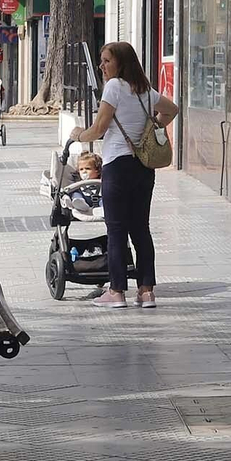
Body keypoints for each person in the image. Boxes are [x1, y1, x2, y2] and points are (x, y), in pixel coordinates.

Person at [74, 42, 180, 310]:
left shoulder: (114, 87)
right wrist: (152, 126)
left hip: (118, 166)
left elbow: (99, 128)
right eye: (101, 60)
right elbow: (172, 109)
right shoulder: (144, 90)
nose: (102, 66)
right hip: (143, 168)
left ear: (121, 63)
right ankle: (146, 292)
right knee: (141, 229)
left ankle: (117, 291)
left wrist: (78, 136)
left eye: (107, 60)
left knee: (117, 230)